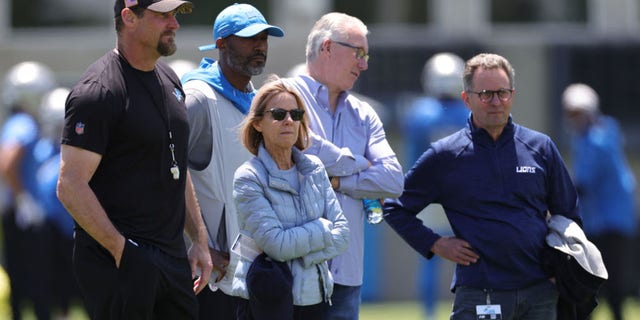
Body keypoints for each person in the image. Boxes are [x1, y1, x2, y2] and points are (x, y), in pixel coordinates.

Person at [383, 53, 582, 320]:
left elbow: (568, 213)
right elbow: (395, 207)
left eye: (502, 93)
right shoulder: (445, 154)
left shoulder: (541, 147)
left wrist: (564, 269)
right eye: (486, 94)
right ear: (467, 99)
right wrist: (435, 243)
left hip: (540, 293)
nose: (496, 102)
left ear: (512, 94)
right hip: (480, 292)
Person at [56, 1, 212, 319]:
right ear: (128, 17)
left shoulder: (170, 81)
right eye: (163, 16)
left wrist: (198, 239)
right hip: (121, 264)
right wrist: (121, 249)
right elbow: (70, 185)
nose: (174, 24)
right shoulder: (98, 91)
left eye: (175, 16)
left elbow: (176, 167)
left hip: (172, 259)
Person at [284, 12, 404, 319]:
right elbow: (303, 152)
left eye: (366, 55)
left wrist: (337, 182)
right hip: (290, 269)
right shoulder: (284, 96)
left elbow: (393, 180)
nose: (364, 64)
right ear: (327, 47)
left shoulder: (364, 114)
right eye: (357, 53)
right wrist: (361, 163)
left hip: (346, 277)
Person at [179, 3, 284, 319]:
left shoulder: (258, 102)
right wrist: (197, 243)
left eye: (264, 38)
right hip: (213, 279)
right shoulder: (197, 98)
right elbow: (162, 175)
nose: (260, 46)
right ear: (221, 44)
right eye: (249, 38)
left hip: (254, 276)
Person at [231, 77, 349, 320]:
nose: (288, 121)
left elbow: (343, 234)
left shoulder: (314, 168)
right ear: (258, 124)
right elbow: (277, 244)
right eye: (278, 114)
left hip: (316, 301)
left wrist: (300, 254)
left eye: (295, 114)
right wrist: (321, 229)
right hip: (267, 302)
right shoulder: (248, 177)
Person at [400, 52, 469, 318]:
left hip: (428, 194)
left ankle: (428, 313)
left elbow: (413, 156)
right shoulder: (468, 112)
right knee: (468, 258)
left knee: (429, 258)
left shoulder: (419, 113)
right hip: (463, 195)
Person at [561, 83, 637, 320]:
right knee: (599, 279)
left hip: (609, 220)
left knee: (601, 279)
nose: (574, 119)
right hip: (605, 219)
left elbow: (583, 183)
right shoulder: (599, 134)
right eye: (571, 114)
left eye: (578, 113)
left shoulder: (596, 139)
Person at [0, 60, 57, 320]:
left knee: (23, 278)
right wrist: (23, 198)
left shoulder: (17, 121)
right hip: (23, 213)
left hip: (20, 211)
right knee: (34, 278)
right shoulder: (24, 123)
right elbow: (8, 162)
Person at [35, 87, 87, 318]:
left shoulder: (84, 153)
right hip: (53, 232)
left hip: (81, 229)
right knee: (57, 292)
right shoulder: (43, 152)